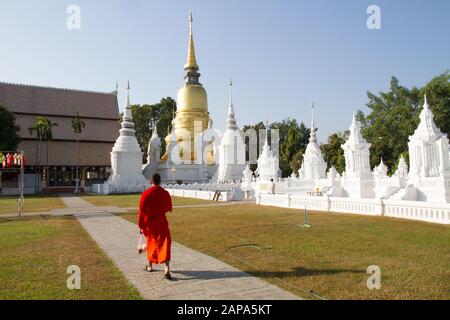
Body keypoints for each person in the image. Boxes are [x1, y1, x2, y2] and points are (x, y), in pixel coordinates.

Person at [138, 173, 173, 280]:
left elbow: (141, 211)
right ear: (160, 181)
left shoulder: (146, 194)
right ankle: (166, 268)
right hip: (161, 221)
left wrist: (141, 225)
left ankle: (150, 266)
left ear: (151, 181)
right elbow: (169, 207)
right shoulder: (165, 193)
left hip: (150, 223)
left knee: (151, 243)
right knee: (165, 243)